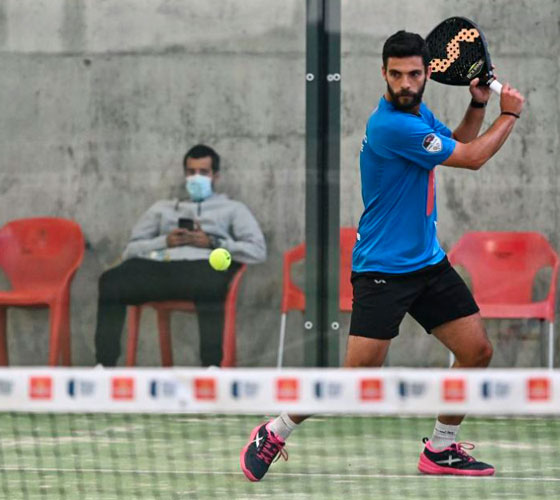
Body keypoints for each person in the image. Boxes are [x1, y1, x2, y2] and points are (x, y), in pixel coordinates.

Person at [240, 30, 525, 480]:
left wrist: (478, 105)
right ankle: (274, 431)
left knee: (476, 351)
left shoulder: (418, 112)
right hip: (381, 272)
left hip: (428, 263)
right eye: (397, 75)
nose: (406, 83)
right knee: (357, 379)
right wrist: (509, 115)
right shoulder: (391, 124)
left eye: (414, 73)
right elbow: (471, 158)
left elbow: (451, 144)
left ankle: (441, 450)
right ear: (383, 73)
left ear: (428, 73)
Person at [94, 144, 266, 367]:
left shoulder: (232, 209)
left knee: (212, 282)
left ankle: (211, 366)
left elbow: (257, 251)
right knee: (111, 281)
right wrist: (165, 241)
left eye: (203, 173)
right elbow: (131, 249)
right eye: (191, 172)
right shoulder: (163, 208)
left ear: (215, 176)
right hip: (161, 268)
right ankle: (104, 366)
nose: (196, 178)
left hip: (202, 267)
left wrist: (213, 243)